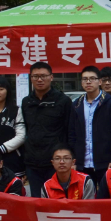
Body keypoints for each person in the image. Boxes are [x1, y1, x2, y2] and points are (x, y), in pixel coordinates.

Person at [21, 62, 73, 197]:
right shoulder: (26, 102)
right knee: (37, 201)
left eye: (43, 76)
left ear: (51, 77)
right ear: (31, 78)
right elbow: (25, 130)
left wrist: (72, 158)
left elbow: (71, 131)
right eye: (35, 76)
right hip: (33, 163)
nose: (39, 79)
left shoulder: (63, 101)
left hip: (56, 163)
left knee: (57, 199)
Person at [70, 65, 111, 188]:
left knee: (107, 195)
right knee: (85, 197)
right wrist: (73, 159)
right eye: (85, 79)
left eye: (92, 78)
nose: (88, 82)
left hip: (105, 162)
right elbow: (71, 133)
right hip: (82, 163)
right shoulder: (76, 104)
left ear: (99, 81)